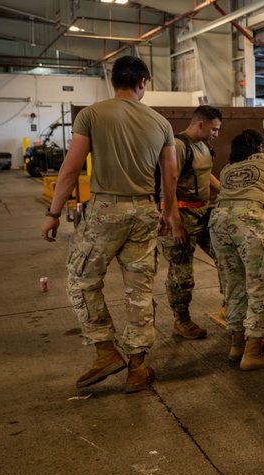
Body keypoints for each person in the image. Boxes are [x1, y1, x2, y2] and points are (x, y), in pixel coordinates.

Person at [41, 55, 182, 393]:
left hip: (105, 212)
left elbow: (71, 168)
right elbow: (171, 174)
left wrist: (53, 213)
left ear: (113, 82)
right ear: (143, 84)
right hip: (146, 212)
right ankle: (137, 366)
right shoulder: (161, 123)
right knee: (140, 289)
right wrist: (169, 213)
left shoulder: (91, 114)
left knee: (80, 281)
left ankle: (106, 351)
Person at [209, 130, 264, 370]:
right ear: (259, 147)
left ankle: (236, 346)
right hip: (250, 220)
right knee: (260, 284)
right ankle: (254, 350)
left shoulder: (227, 169)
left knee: (233, 283)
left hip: (218, 221)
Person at [159, 104, 222, 340]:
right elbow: (169, 185)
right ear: (201, 124)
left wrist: (224, 191)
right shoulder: (178, 145)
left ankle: (230, 306)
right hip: (182, 216)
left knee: (225, 256)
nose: (217, 135)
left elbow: (207, 174)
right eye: (214, 130)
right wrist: (174, 222)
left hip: (204, 214)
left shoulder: (203, 145)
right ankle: (181, 320)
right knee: (181, 274)